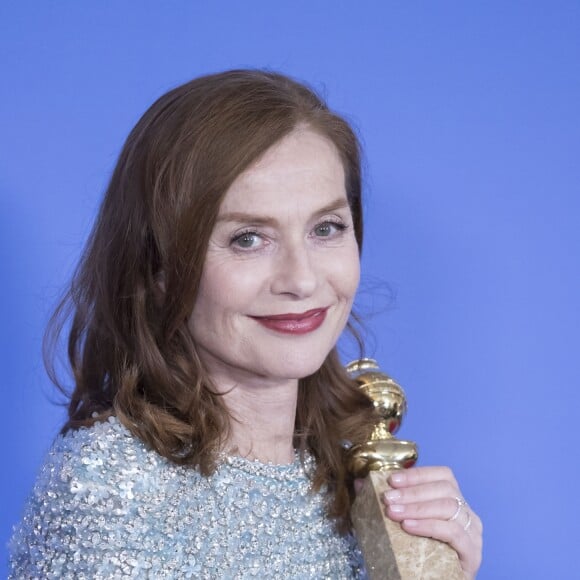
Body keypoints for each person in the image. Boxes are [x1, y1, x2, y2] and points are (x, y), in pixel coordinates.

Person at [9, 70, 482, 578]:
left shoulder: (350, 476)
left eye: (326, 228)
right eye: (248, 239)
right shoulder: (104, 491)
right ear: (161, 268)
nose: (301, 280)